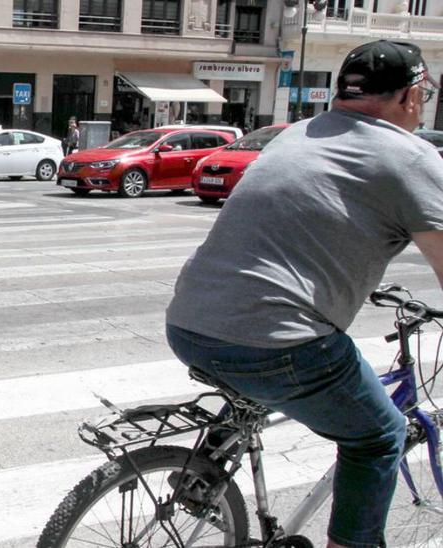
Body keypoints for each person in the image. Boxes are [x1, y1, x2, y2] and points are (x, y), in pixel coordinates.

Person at [165, 40, 443, 548]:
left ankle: (208, 466)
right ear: (410, 96)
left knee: (257, 372)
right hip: (278, 343)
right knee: (379, 436)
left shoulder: (295, 135)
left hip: (188, 322)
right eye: (424, 94)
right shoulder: (412, 157)